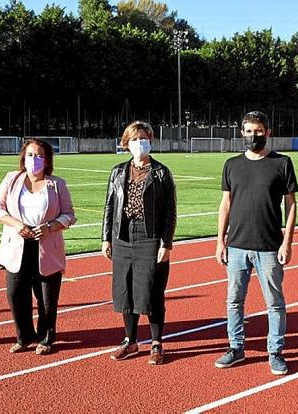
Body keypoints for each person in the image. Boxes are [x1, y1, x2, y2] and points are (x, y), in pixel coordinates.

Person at [214, 111, 298, 375]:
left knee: (274, 302)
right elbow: (225, 204)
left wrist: (287, 242)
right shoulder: (231, 164)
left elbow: (291, 204)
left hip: (270, 247)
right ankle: (236, 348)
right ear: (242, 133)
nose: (254, 136)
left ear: (268, 132)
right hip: (237, 246)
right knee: (234, 301)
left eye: (258, 130)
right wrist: (220, 241)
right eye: (249, 131)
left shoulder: (282, 163)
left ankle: (275, 352)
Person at [0, 138, 76, 355]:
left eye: (39, 155)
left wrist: (50, 226)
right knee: (16, 294)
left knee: (46, 297)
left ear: (47, 160)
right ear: (23, 158)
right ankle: (24, 337)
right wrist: (16, 225)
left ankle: (46, 338)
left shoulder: (57, 184)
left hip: (47, 246)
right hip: (17, 246)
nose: (34, 159)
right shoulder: (11, 179)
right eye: (30, 154)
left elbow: (69, 215)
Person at [101, 121, 177, 365]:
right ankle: (130, 340)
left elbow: (169, 211)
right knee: (125, 290)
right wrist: (105, 238)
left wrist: (166, 242)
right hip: (122, 236)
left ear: (150, 140)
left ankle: (156, 343)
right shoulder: (117, 171)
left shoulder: (161, 172)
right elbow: (110, 206)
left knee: (152, 291)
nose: (139, 143)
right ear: (126, 143)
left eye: (143, 138)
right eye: (134, 139)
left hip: (150, 236)